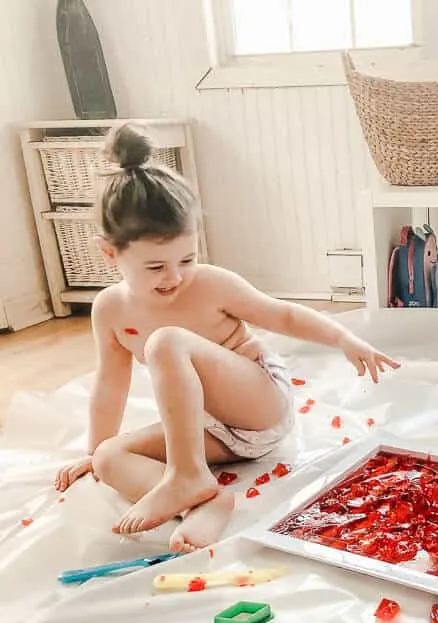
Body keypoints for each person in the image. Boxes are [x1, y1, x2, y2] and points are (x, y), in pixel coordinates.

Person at [53, 123, 400, 552]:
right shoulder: (109, 309)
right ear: (109, 254)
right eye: (156, 266)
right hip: (208, 430)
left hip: (258, 404)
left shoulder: (212, 285)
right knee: (110, 459)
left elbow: (284, 315)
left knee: (165, 341)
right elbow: (110, 385)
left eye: (187, 258)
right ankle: (204, 503)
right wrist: (94, 451)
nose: (175, 276)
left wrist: (345, 338)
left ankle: (186, 475)